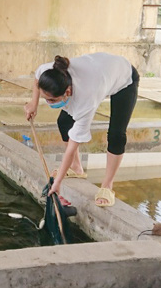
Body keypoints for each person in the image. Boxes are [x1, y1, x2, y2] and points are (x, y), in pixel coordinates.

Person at [24, 53, 139, 207]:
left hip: (124, 78)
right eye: (46, 98)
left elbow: (72, 146)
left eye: (52, 100)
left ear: (68, 92)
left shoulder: (86, 99)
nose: (49, 103)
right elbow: (38, 80)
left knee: (116, 134)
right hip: (101, 69)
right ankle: (77, 168)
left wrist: (57, 183)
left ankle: (107, 186)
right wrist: (34, 104)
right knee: (64, 122)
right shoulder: (49, 72)